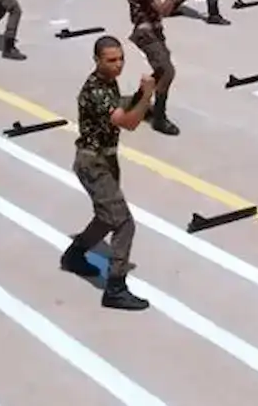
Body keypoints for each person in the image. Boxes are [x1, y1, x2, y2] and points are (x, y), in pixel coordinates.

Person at [60, 35, 156, 311]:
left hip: (105, 160)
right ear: (97, 60)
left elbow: (119, 104)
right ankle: (115, 288)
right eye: (111, 60)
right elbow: (127, 122)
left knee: (107, 216)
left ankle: (74, 255)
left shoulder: (108, 82)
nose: (118, 65)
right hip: (93, 164)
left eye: (121, 59)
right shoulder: (95, 89)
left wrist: (138, 96)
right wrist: (146, 97)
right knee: (124, 222)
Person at [126, 0, 182, 136]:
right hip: (146, 33)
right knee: (167, 71)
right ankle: (159, 118)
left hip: (155, 31)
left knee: (160, 70)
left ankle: (137, 101)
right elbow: (164, 10)